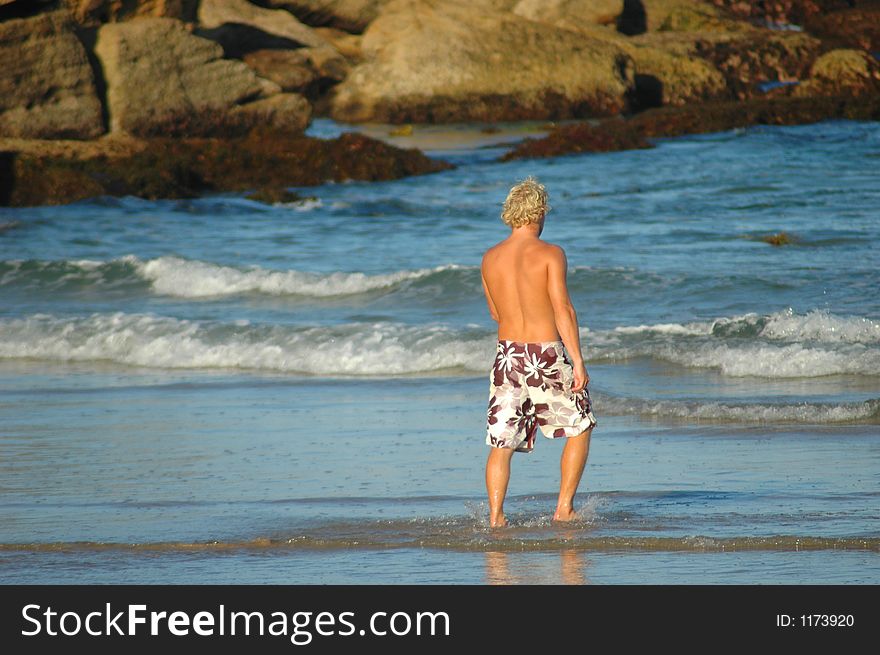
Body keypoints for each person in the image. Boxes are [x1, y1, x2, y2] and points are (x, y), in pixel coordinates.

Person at [481, 176, 597, 528]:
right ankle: (563, 508)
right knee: (580, 425)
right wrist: (577, 360)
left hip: (507, 355)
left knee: (501, 441)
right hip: (544, 354)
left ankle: (496, 517)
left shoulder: (490, 258)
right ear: (539, 212)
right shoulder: (550, 253)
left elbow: (496, 314)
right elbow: (563, 308)